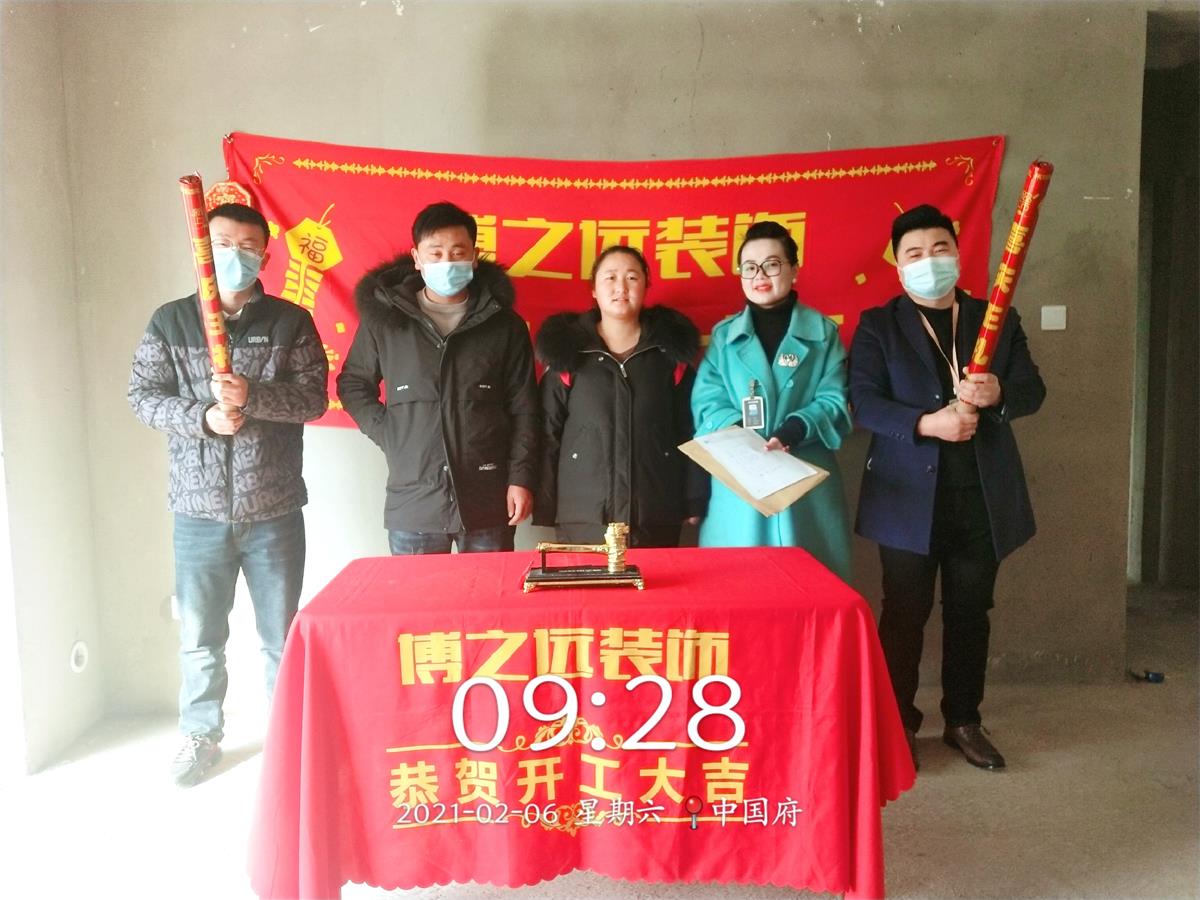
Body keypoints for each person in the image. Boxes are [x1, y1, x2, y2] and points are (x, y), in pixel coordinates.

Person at [128, 202, 328, 786]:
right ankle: (201, 735)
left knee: (281, 635)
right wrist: (204, 417)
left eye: (247, 246)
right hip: (198, 513)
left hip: (274, 509)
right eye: (221, 243)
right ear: (201, 249)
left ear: (264, 255)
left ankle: (286, 740)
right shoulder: (172, 321)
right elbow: (143, 397)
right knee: (200, 637)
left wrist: (253, 397)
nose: (234, 256)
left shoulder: (291, 321)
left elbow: (313, 398)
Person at [849, 204, 1046, 770]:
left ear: (958, 254)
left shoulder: (994, 318)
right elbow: (863, 402)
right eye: (914, 253)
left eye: (939, 248)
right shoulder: (879, 324)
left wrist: (999, 392)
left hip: (980, 495)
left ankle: (963, 720)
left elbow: (1033, 390)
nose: (928, 261)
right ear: (898, 266)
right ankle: (897, 723)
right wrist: (925, 424)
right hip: (907, 498)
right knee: (904, 612)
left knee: (970, 611)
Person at [337, 201, 538, 553]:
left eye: (458, 253)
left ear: (474, 257)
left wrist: (520, 478)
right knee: (416, 592)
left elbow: (525, 408)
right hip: (414, 503)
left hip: (487, 497)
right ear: (417, 258)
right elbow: (353, 383)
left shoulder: (504, 325)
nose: (447, 262)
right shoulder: (387, 320)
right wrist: (390, 433)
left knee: (489, 590)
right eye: (436, 253)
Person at [690, 220, 853, 578]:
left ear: (794, 269)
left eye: (772, 264)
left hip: (804, 475)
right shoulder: (724, 337)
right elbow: (706, 400)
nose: (760, 276)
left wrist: (795, 428)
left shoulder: (823, 333)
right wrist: (738, 433)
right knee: (737, 587)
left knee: (811, 586)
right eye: (749, 267)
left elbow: (835, 398)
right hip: (740, 480)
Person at [534, 245, 706, 547]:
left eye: (632, 278)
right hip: (583, 515)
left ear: (646, 285)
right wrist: (545, 503)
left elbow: (691, 431)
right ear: (594, 289)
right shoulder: (568, 356)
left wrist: (693, 498)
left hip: (655, 512)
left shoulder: (670, 358)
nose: (621, 288)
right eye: (610, 278)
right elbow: (547, 433)